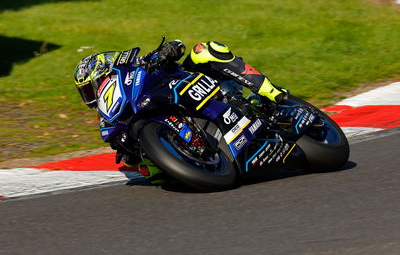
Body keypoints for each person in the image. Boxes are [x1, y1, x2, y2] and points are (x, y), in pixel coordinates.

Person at [74, 39, 288, 184]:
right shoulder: (107, 121)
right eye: (85, 92)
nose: (90, 95)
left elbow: (178, 46)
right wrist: (127, 147)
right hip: (178, 151)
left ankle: (271, 92)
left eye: (88, 88)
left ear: (102, 72)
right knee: (151, 173)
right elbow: (127, 158)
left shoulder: (136, 65)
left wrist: (166, 51)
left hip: (196, 85)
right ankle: (198, 157)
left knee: (204, 50)